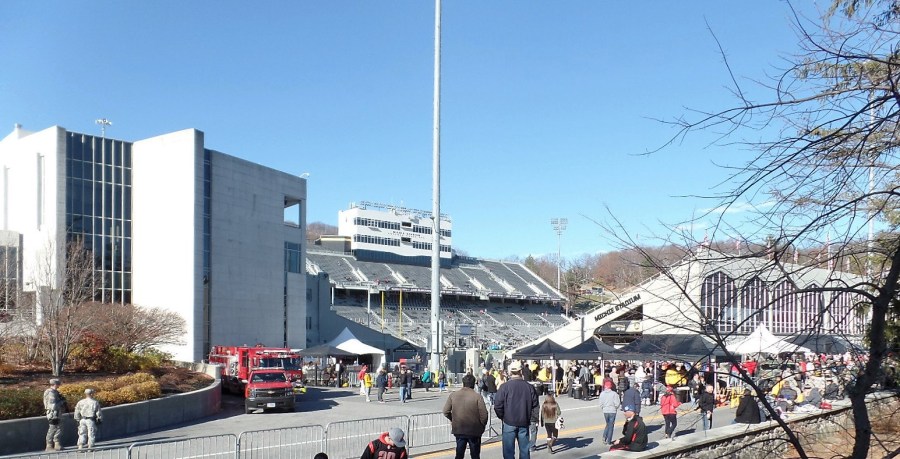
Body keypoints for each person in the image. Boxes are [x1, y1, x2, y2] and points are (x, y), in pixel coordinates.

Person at [494, 360, 539, 459]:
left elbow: (497, 405)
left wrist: (503, 417)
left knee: (509, 452)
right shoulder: (529, 387)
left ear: (510, 372)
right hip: (524, 422)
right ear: (521, 371)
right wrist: (533, 420)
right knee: (524, 452)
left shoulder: (504, 387)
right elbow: (535, 406)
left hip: (509, 422)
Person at [443, 374, 489, 459]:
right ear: (473, 384)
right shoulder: (477, 396)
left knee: (459, 454)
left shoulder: (453, 395)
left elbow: (445, 411)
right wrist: (482, 425)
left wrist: (453, 419)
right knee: (475, 455)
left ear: (463, 383)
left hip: (459, 428)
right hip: (474, 429)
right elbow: (484, 414)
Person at [43, 378, 66, 451]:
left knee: (59, 428)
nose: (59, 385)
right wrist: (61, 402)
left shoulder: (55, 392)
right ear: (54, 384)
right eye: (58, 384)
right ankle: (49, 445)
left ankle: (57, 443)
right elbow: (53, 405)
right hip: (53, 413)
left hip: (58, 413)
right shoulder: (50, 393)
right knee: (52, 429)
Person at [598, 381, 619, 445]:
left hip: (605, 411)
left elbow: (600, 403)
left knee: (608, 424)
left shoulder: (602, 394)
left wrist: (603, 408)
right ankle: (609, 440)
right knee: (611, 425)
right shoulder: (614, 394)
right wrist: (615, 408)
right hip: (612, 411)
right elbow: (617, 403)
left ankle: (604, 437)